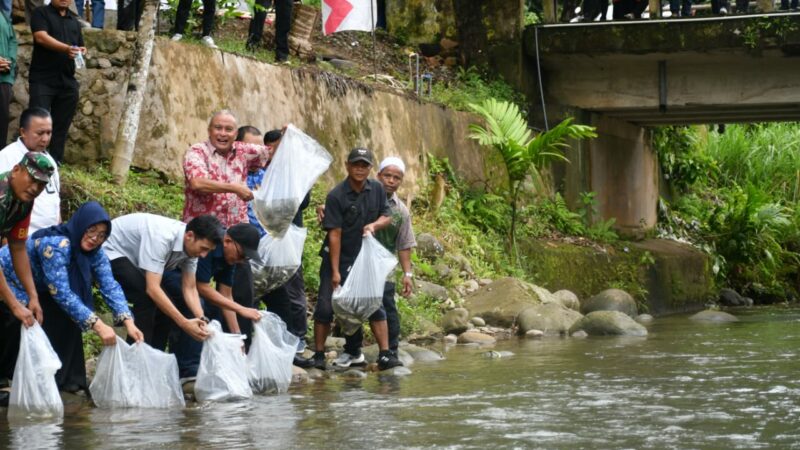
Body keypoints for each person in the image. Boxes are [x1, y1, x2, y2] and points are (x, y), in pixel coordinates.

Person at [0, 202, 144, 393]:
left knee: (68, 318)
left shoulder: (95, 252)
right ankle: (8, 376)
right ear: (81, 224)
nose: (95, 238)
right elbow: (62, 293)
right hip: (11, 281)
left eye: (102, 235)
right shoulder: (56, 245)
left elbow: (109, 284)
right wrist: (99, 325)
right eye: (91, 230)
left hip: (40, 286)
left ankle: (67, 380)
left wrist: (128, 321)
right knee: (21, 318)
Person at [307, 147, 401, 371]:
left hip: (364, 261)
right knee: (325, 307)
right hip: (337, 258)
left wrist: (374, 225)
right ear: (347, 165)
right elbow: (335, 234)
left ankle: (385, 354)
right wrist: (336, 271)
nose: (360, 169)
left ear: (370, 168)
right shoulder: (337, 195)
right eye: (356, 164)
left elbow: (387, 216)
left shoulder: (377, 189)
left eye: (365, 165)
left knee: (372, 304)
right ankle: (319, 354)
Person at [103, 213, 219, 377]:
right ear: (190, 236)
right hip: (111, 249)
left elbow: (190, 288)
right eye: (204, 249)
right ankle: (133, 365)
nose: (204, 255)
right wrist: (184, 323)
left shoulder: (192, 249)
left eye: (209, 251)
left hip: (136, 262)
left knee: (166, 310)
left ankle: (152, 364)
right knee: (147, 298)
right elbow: (152, 288)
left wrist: (202, 320)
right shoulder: (161, 237)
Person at [331, 157, 416, 367]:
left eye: (397, 178)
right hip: (356, 263)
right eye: (387, 175)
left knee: (386, 307)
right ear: (378, 176)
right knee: (354, 305)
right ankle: (353, 350)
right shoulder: (363, 197)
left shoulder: (400, 210)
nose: (391, 181)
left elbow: (404, 244)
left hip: (383, 268)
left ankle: (389, 353)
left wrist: (408, 274)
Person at [241, 127, 311, 360]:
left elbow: (299, 200)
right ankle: (246, 348)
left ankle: (286, 350)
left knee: (283, 300)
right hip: (242, 249)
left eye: (259, 147)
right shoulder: (233, 174)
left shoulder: (270, 175)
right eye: (250, 147)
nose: (256, 152)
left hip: (273, 248)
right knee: (247, 297)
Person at [0, 152, 55, 405]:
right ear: (16, 171)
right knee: (11, 307)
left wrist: (32, 296)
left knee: (13, 314)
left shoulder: (24, 202)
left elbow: (18, 247)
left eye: (42, 185)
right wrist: (14, 303)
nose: (35, 188)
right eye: (32, 180)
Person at [182, 110, 273, 229]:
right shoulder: (197, 151)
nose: (223, 133)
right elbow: (197, 183)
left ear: (235, 134)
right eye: (218, 128)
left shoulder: (243, 151)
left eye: (228, 129)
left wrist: (285, 134)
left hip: (236, 233)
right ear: (209, 131)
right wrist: (234, 188)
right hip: (203, 233)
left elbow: (273, 152)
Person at [28, 0, 85, 163]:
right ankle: (33, 161)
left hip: (67, 81)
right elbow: (41, 37)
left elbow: (80, 45)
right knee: (37, 123)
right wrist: (66, 48)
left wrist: (81, 50)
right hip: (42, 79)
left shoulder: (74, 21)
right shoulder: (41, 13)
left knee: (61, 126)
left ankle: (54, 163)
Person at [0, 108, 60, 234]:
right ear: (23, 132)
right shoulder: (7, 156)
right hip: (21, 233)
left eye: (49, 133)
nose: (45, 139)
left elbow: (55, 199)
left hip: (49, 235)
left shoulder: (50, 161)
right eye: (40, 133)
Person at [0, 10, 16, 148]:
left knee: (2, 121)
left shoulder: (3, 15)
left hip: (3, 78)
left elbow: (12, 40)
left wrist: (9, 61)